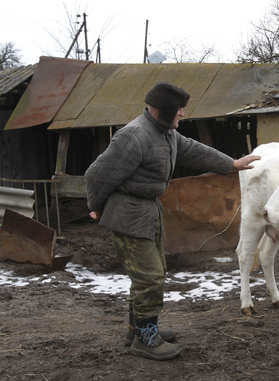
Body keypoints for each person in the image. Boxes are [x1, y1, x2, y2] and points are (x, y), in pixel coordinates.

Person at [85, 81, 260, 361]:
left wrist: (231, 164)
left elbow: (194, 150)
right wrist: (95, 206)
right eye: (178, 110)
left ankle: (138, 329)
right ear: (164, 111)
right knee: (150, 277)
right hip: (128, 215)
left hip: (148, 214)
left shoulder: (166, 134)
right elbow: (97, 175)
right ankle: (145, 338)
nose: (181, 114)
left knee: (149, 275)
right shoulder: (134, 136)